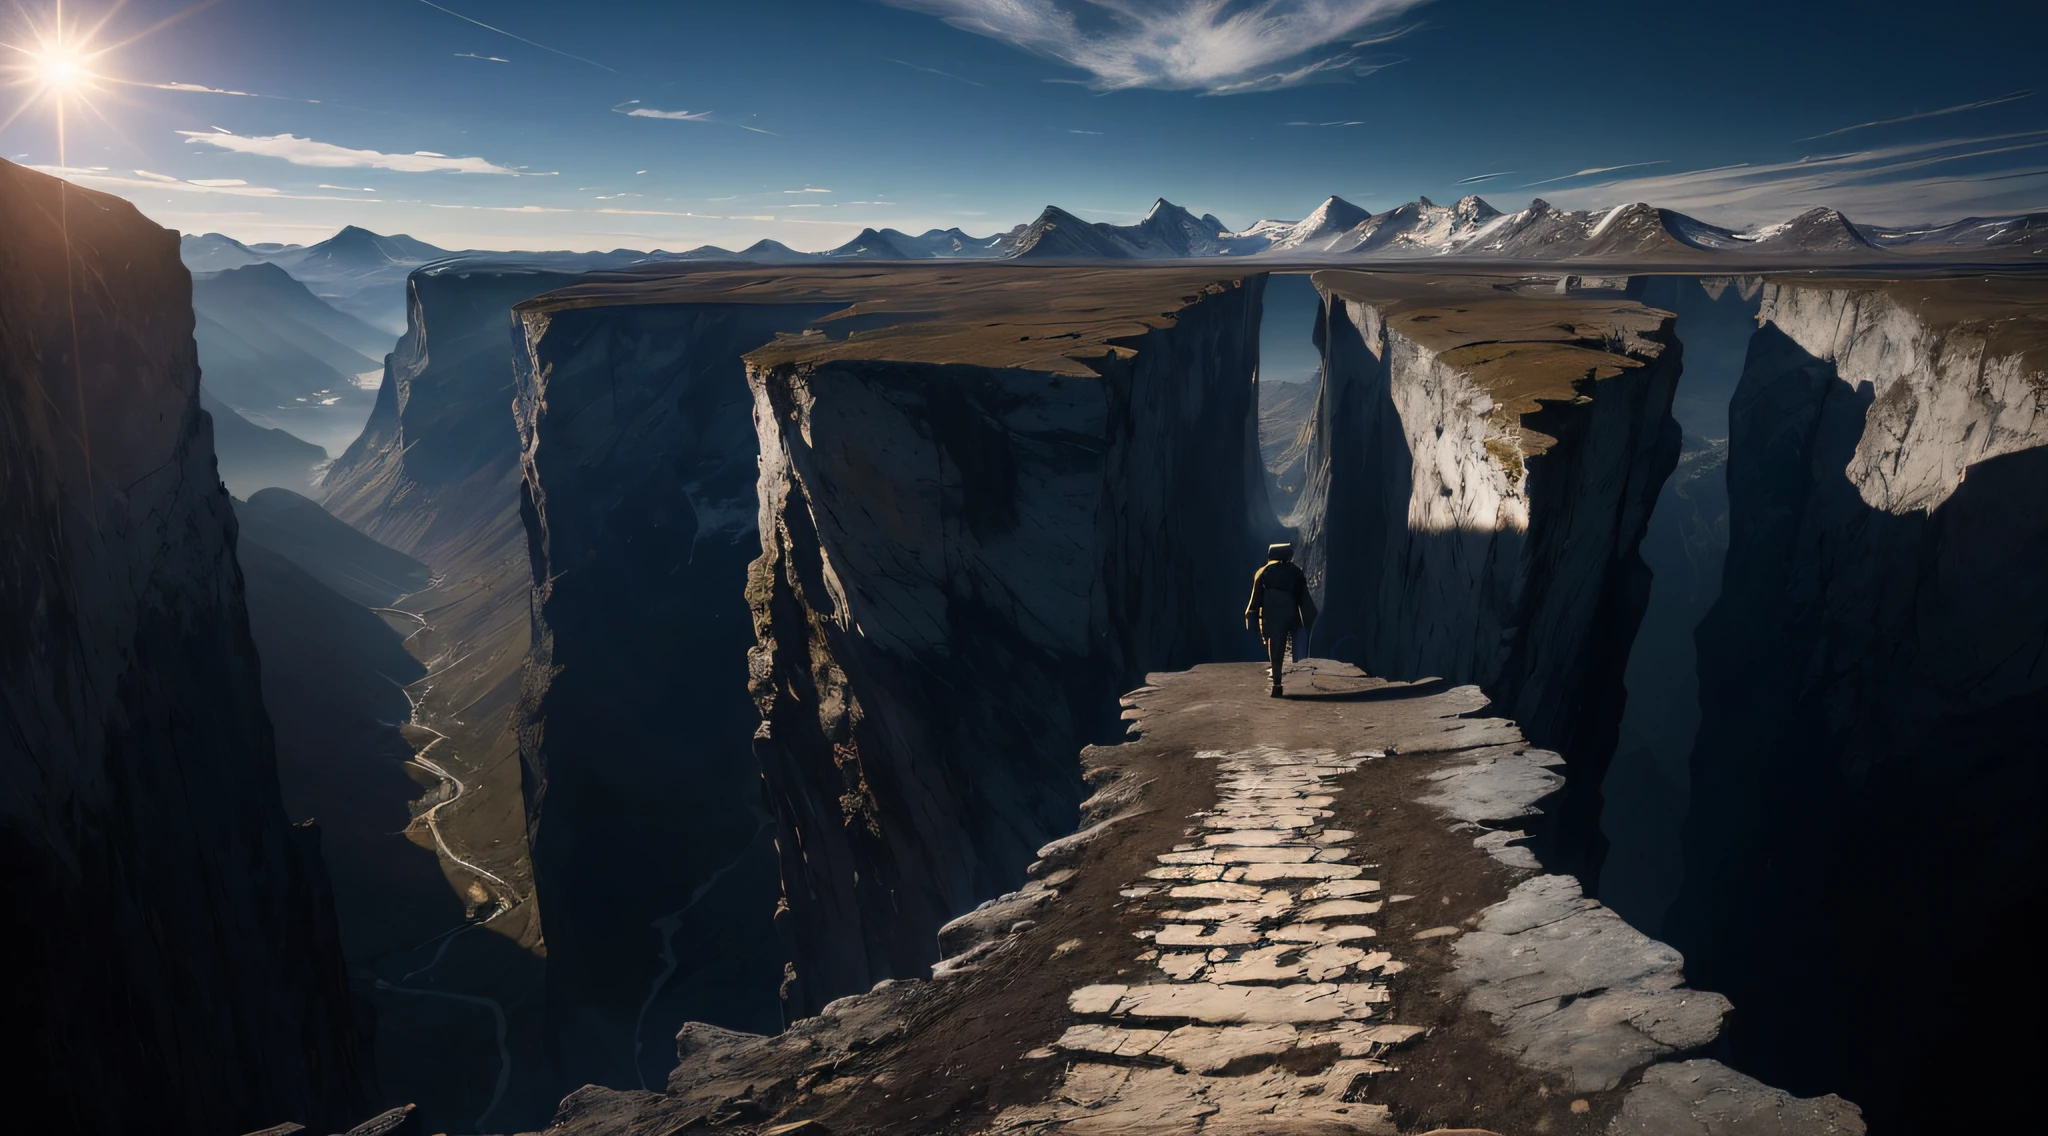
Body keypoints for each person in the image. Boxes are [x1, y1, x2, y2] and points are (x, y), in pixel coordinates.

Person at [1245, 543, 1316, 697]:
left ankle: (1277, 682)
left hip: (1271, 615)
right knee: (1287, 646)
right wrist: (1309, 619)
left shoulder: (1263, 572)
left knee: (1275, 648)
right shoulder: (1295, 572)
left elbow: (1255, 598)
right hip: (1290, 614)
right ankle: (1282, 676)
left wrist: (1252, 616)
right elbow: (1304, 598)